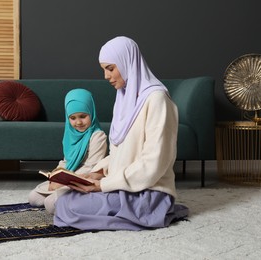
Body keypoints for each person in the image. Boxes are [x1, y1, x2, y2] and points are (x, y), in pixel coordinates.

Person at [53, 36, 189, 230]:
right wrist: (97, 173)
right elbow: (121, 152)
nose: (106, 76)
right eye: (104, 70)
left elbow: (154, 163)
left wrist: (103, 186)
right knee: (66, 198)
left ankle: (151, 213)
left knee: (67, 206)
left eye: (110, 68)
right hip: (122, 185)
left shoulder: (157, 100)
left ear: (128, 63)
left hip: (147, 192)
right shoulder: (125, 98)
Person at [28, 88, 107, 214]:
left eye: (83, 116)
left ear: (91, 113)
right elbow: (66, 161)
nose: (78, 122)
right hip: (68, 177)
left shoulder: (98, 136)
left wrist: (66, 180)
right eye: (73, 118)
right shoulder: (69, 134)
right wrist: (56, 175)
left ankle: (79, 201)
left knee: (50, 204)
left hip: (84, 179)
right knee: (33, 198)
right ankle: (64, 198)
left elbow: (92, 167)